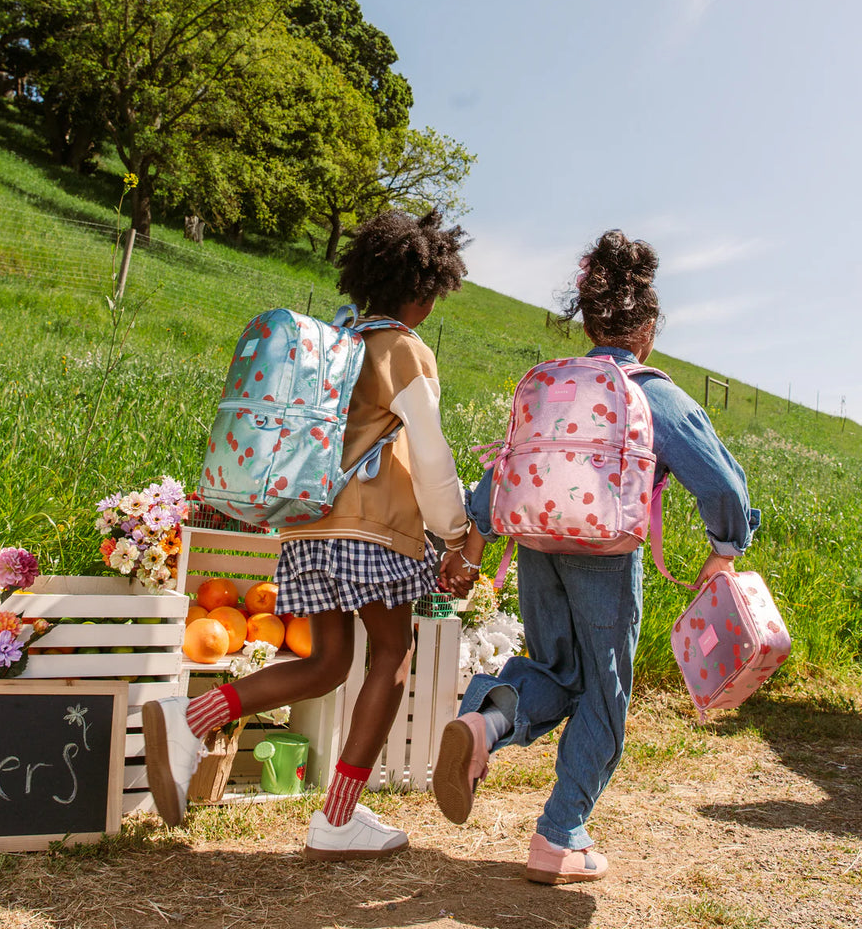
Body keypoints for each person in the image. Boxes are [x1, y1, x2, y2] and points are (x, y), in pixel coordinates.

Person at [143, 209, 472, 859]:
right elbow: (430, 455)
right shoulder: (403, 348)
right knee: (393, 659)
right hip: (373, 533)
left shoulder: (339, 343)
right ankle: (338, 820)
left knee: (326, 663)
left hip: (309, 526)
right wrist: (456, 530)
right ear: (424, 290)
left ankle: (191, 720)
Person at [435, 229, 760, 885]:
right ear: (646, 329)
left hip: (535, 545)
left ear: (587, 321)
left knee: (553, 670)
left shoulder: (554, 387)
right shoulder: (650, 391)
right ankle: (560, 835)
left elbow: (503, 473)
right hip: (604, 555)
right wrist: (726, 549)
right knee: (605, 693)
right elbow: (721, 482)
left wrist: (474, 544)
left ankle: (483, 723)